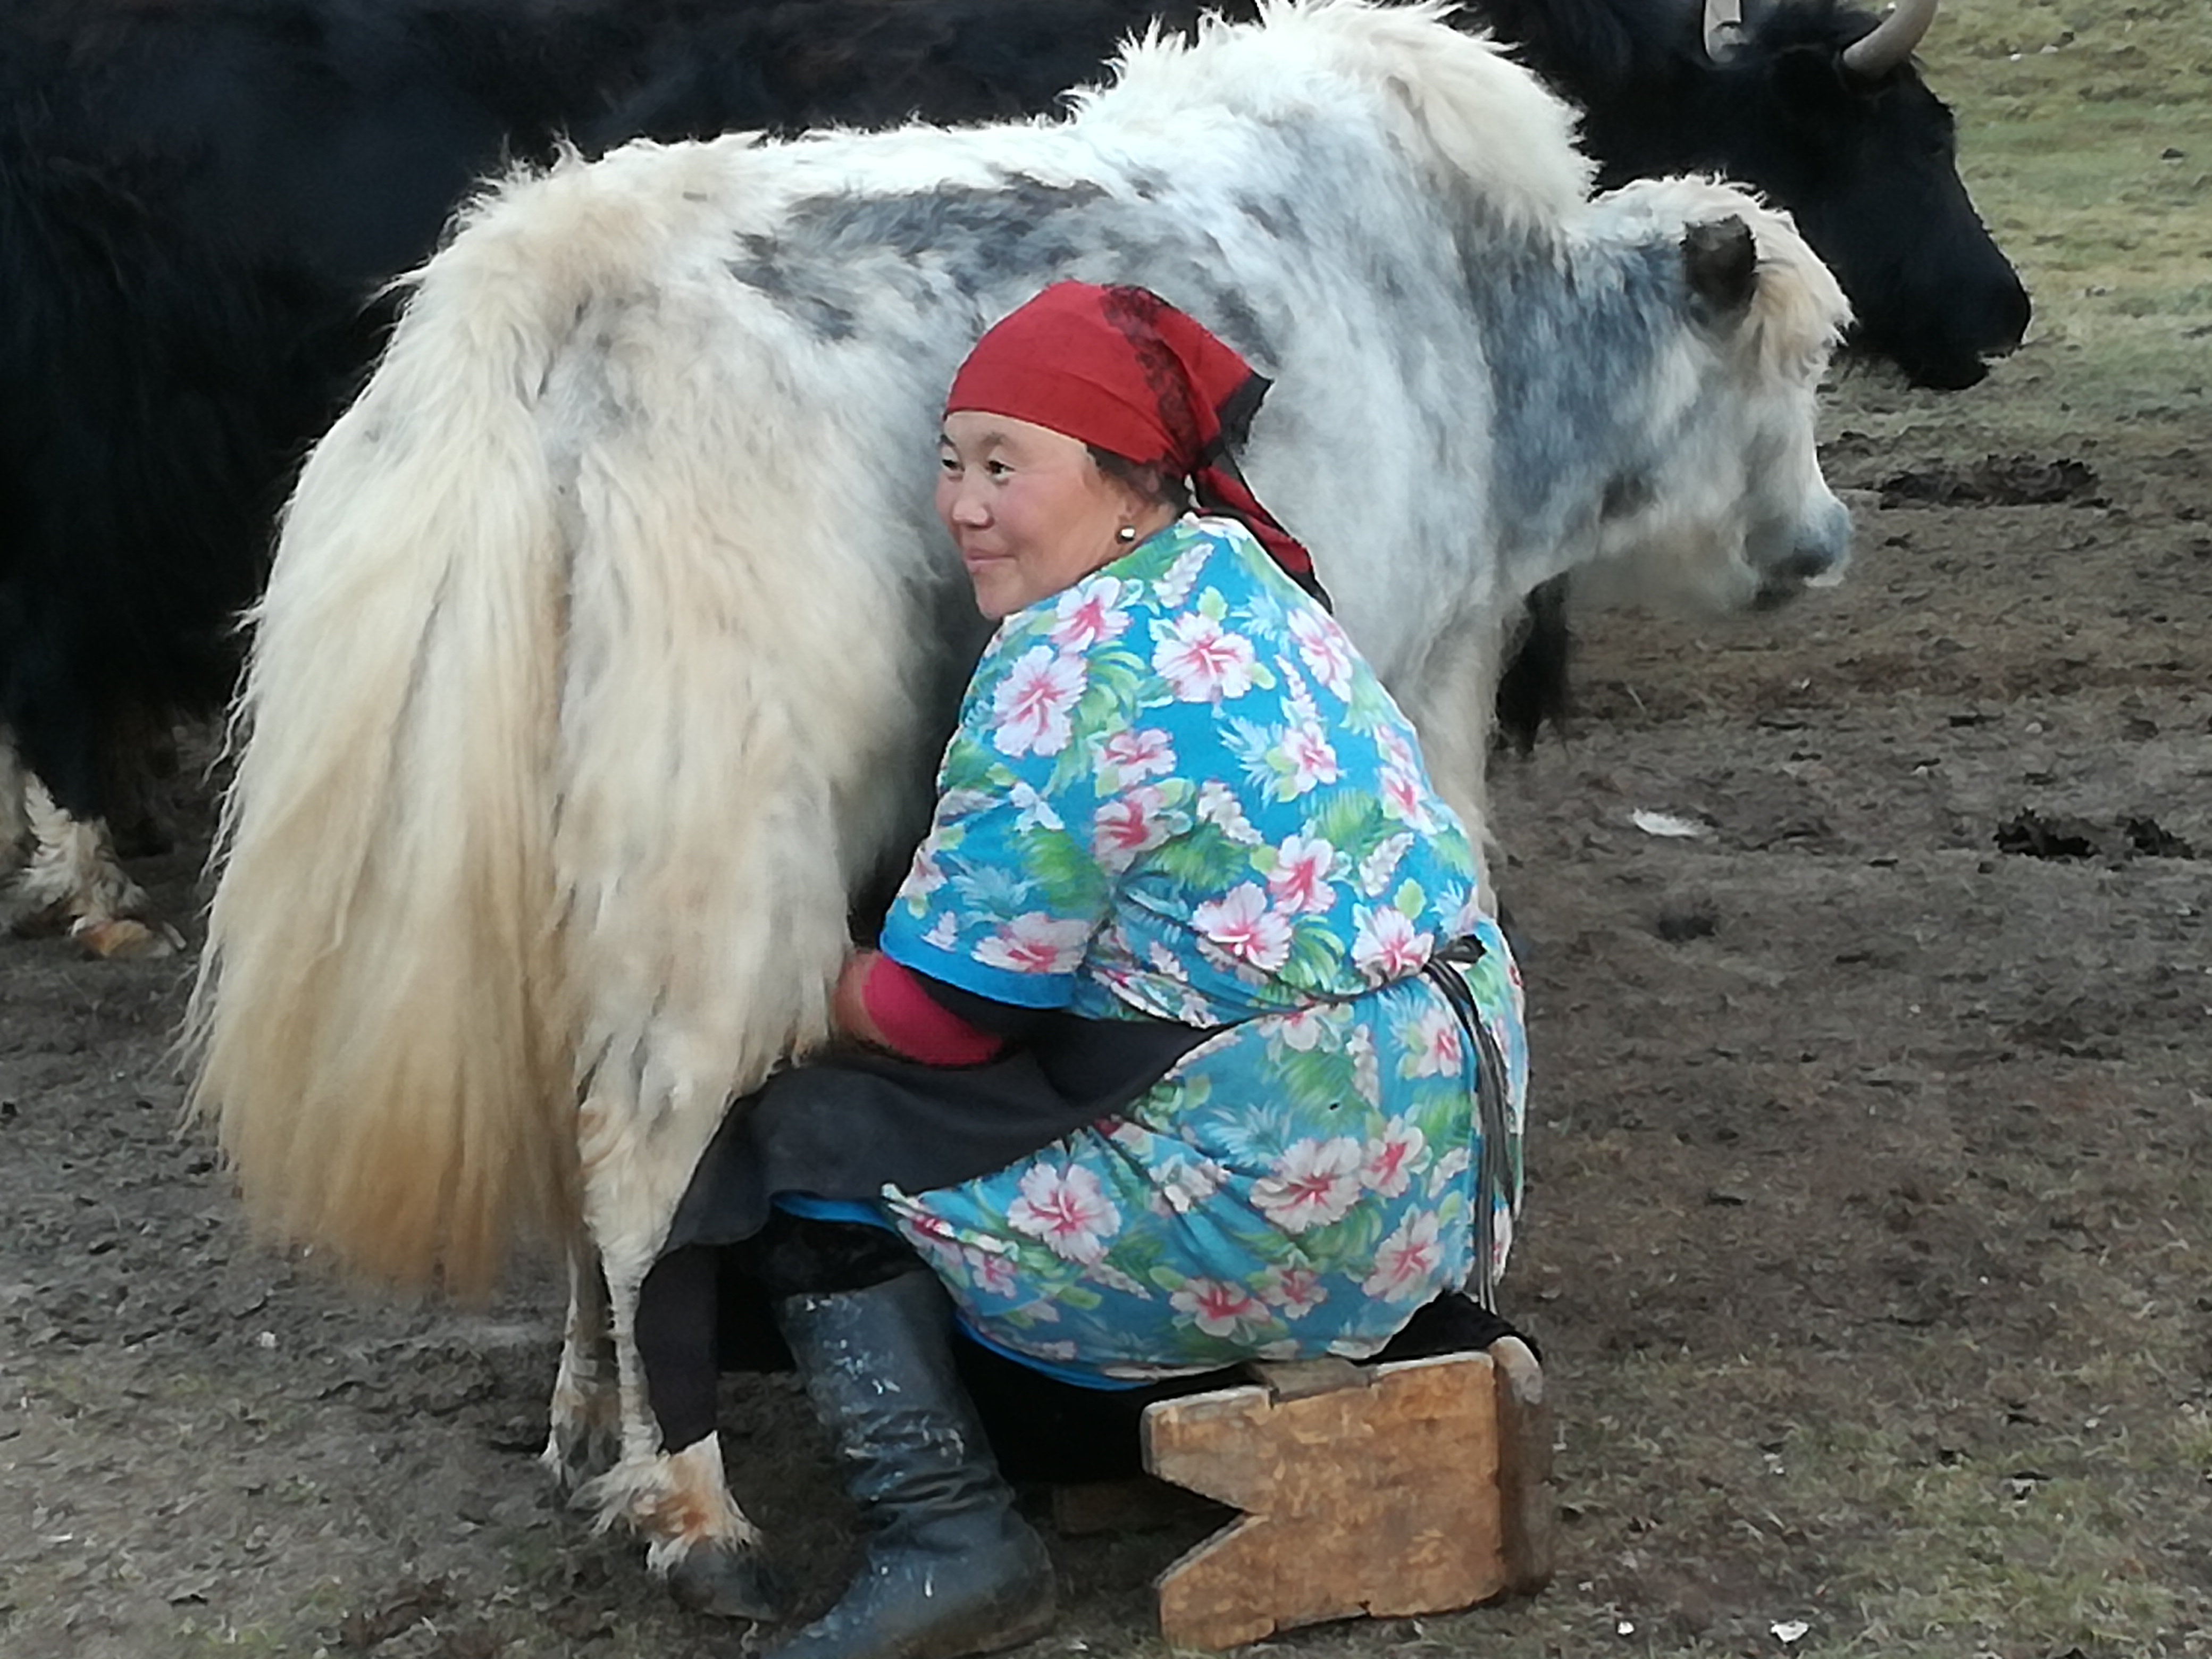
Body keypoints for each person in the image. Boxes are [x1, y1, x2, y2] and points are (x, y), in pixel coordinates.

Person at [633, 281, 1530, 1659]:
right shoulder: (1245, 579)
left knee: (804, 1137)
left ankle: (950, 1542)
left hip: (1283, 1197)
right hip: (1440, 1167)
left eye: (1008, 467)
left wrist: (783, 980)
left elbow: (944, 1019)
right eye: (952, 463)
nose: (964, 506)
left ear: (1129, 482)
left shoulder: (1068, 668)